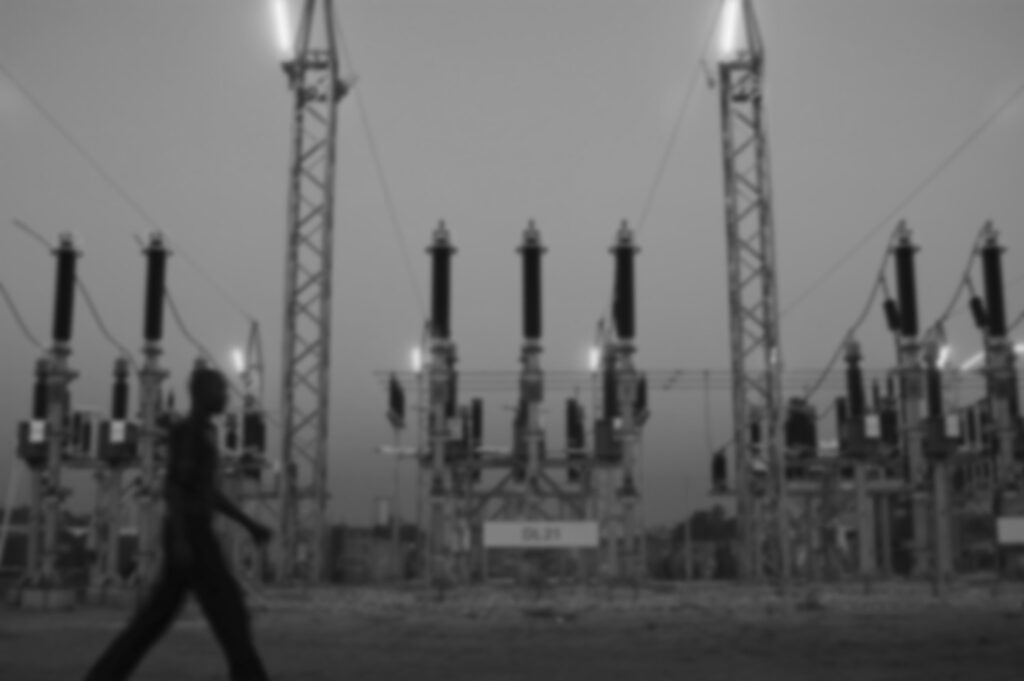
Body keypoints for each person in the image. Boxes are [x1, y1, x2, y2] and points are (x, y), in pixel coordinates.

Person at [84, 366, 273, 681]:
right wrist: (183, 541)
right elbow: (176, 488)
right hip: (192, 536)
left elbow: (208, 492)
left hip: (190, 535)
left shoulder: (199, 434)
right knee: (229, 613)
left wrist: (249, 523)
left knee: (157, 619)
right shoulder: (188, 435)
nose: (225, 396)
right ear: (201, 394)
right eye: (219, 390)